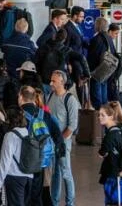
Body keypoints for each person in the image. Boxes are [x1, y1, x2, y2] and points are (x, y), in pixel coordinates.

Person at [18, 85, 64, 206]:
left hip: (21, 161)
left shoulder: (16, 114)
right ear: (34, 98)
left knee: (22, 195)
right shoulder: (45, 115)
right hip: (41, 160)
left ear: (20, 97)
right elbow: (58, 135)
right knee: (37, 193)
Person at [45, 70, 79, 206]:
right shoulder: (50, 96)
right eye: (51, 80)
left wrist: (59, 141)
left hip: (62, 144)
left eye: (54, 81)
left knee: (66, 173)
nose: (50, 83)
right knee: (55, 174)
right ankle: (54, 201)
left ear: (62, 82)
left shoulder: (70, 100)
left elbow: (72, 126)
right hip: (52, 143)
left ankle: (70, 203)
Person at [0, 106, 33, 206]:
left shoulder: (10, 136)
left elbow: (5, 161)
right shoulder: (27, 132)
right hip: (29, 176)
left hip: (14, 177)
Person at [88, 17, 116, 107]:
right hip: (106, 69)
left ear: (97, 26)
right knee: (104, 92)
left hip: (97, 70)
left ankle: (99, 113)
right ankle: (104, 110)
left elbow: (92, 56)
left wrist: (88, 71)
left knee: (96, 96)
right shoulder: (109, 38)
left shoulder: (96, 39)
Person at [97, 101, 122, 186]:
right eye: (99, 114)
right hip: (119, 169)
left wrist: (103, 152)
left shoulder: (110, 135)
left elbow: (101, 153)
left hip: (112, 171)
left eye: (103, 115)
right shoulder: (120, 129)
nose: (99, 117)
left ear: (111, 116)